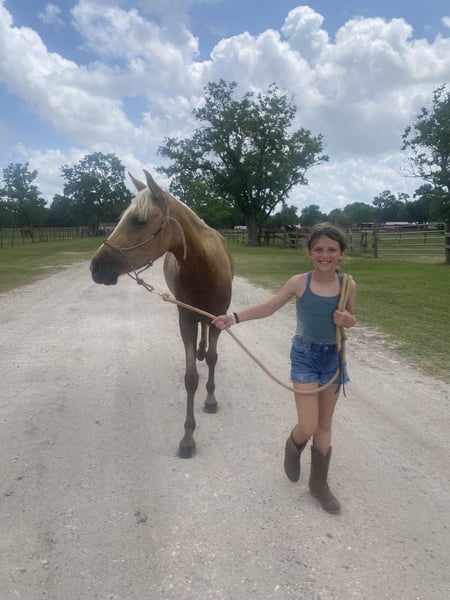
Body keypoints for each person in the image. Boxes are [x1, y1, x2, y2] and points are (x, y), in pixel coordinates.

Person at [212, 223, 357, 514]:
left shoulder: (348, 285)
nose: (325, 255)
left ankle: (318, 485)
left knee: (324, 424)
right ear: (309, 253)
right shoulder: (298, 283)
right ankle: (293, 445)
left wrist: (348, 321)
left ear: (341, 253)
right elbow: (269, 307)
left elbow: (351, 318)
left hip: (333, 357)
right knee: (308, 426)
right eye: (318, 249)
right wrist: (233, 318)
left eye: (331, 250)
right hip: (305, 355)